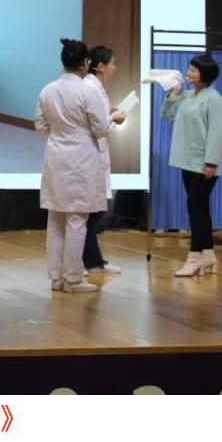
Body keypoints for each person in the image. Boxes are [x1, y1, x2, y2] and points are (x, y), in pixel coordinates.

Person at [35, 38, 109, 294]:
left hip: (55, 156)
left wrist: (61, 132)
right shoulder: (88, 91)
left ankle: (56, 277)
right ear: (85, 63)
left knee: (55, 219)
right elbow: (102, 128)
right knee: (77, 219)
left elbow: (40, 126)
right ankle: (74, 278)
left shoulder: (47, 90)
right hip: (82, 158)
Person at [160, 53, 222, 277]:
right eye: (189, 69)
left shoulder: (215, 100)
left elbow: (217, 133)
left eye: (193, 70)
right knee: (199, 209)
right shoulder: (187, 96)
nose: (188, 73)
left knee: (195, 208)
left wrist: (211, 162)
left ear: (205, 74)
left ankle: (194, 257)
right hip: (186, 160)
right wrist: (174, 93)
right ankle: (208, 255)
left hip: (204, 163)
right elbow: (167, 115)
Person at [81, 45, 125, 274]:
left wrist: (111, 113)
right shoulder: (90, 87)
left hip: (97, 152)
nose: (114, 68)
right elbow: (96, 125)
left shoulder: (97, 87)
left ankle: (93, 260)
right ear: (100, 66)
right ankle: (86, 260)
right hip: (90, 153)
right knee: (94, 210)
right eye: (112, 64)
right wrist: (113, 119)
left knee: (96, 209)